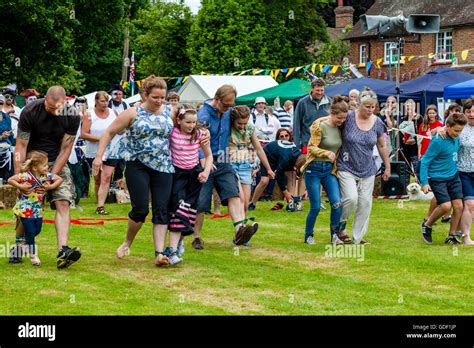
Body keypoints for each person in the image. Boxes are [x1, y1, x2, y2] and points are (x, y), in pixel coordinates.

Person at [93, 75, 185, 266]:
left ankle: (160, 254)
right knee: (141, 208)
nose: (159, 101)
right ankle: (127, 242)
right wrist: (98, 157)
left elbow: (185, 129)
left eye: (162, 97)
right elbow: (109, 132)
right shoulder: (132, 113)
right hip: (138, 164)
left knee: (161, 209)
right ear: (144, 95)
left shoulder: (170, 111)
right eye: (155, 97)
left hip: (164, 166)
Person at [13, 85, 82, 269]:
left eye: (58, 108)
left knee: (63, 201)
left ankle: (63, 251)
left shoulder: (73, 114)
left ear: (65, 101)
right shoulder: (30, 111)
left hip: (56, 161)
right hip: (32, 161)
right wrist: (20, 175)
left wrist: (52, 175)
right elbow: (20, 145)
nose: (55, 111)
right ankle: (19, 245)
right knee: (28, 206)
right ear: (44, 99)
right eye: (51, 107)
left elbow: (66, 148)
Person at [192, 84, 257, 250]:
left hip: (224, 160)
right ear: (217, 99)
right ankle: (196, 237)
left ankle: (239, 231)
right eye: (226, 104)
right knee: (201, 202)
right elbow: (198, 139)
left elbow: (243, 125)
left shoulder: (228, 112)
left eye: (231, 104)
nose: (229, 108)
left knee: (233, 194)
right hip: (205, 162)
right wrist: (203, 161)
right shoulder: (204, 115)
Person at [337, 89, 391, 245]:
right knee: (351, 199)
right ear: (359, 104)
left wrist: (387, 167)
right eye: (367, 106)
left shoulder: (378, 122)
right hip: (346, 166)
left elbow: (382, 145)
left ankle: (357, 237)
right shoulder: (348, 118)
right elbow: (332, 124)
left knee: (365, 204)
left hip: (367, 169)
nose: (370, 110)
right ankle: (340, 229)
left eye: (373, 107)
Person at [167, 107, 213, 264]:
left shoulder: (200, 134)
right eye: (188, 122)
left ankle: (179, 242)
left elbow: (208, 155)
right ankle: (171, 251)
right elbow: (171, 111)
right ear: (179, 121)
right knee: (177, 210)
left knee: (188, 212)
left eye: (194, 122)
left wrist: (205, 172)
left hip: (194, 176)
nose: (191, 125)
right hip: (177, 175)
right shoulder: (173, 132)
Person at [300, 96, 349, 245]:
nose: (342, 121)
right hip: (313, 169)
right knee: (315, 206)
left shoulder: (340, 128)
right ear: (332, 113)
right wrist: (325, 153)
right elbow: (311, 148)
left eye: (344, 118)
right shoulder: (319, 125)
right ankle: (308, 235)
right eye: (339, 118)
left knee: (336, 203)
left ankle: (334, 235)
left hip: (329, 170)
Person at [420, 112, 467, 245]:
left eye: (460, 131)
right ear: (448, 126)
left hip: (453, 176)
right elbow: (425, 161)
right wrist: (424, 182)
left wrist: (440, 128)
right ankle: (427, 225)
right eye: (456, 130)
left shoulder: (456, 137)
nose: (458, 134)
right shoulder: (438, 141)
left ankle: (451, 236)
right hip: (437, 178)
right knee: (446, 206)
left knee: (458, 206)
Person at [8, 151, 62, 266]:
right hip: (24, 209)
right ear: (35, 167)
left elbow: (59, 179)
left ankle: (22, 244)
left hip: (37, 210)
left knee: (37, 230)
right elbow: (10, 180)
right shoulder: (26, 176)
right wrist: (21, 186)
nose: (47, 167)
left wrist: (50, 187)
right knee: (30, 232)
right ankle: (33, 256)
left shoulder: (46, 176)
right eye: (44, 165)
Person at [229, 105, 275, 218]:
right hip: (230, 164)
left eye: (244, 123)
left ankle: (242, 229)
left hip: (245, 165)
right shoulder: (227, 127)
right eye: (239, 123)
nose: (242, 126)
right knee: (240, 198)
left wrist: (268, 169)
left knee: (245, 203)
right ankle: (239, 226)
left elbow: (259, 149)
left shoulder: (250, 128)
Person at [248, 131, 306, 212]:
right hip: (269, 155)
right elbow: (278, 175)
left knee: (292, 174)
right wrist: (285, 192)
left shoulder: (298, 154)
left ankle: (290, 202)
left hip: (282, 155)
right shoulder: (286, 158)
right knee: (264, 181)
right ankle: (252, 203)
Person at [81, 91, 119, 215]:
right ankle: (99, 203)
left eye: (107, 101)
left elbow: (119, 128)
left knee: (106, 177)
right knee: (97, 179)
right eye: (102, 101)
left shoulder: (113, 113)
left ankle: (100, 207)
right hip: (94, 151)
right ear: (96, 101)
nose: (105, 103)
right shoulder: (89, 114)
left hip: (111, 150)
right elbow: (84, 134)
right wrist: (102, 138)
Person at [293, 78, 331, 154]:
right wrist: (297, 145)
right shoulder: (302, 103)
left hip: (325, 142)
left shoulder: (329, 102)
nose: (320, 93)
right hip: (307, 142)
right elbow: (296, 124)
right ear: (312, 89)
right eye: (317, 90)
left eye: (322, 90)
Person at [457, 99, 474, 245]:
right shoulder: (460, 128)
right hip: (464, 172)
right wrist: (438, 130)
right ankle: (466, 237)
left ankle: (455, 229)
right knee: (469, 204)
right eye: (468, 111)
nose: (472, 114)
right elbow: (443, 131)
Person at [399, 99, 422, 186]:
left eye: (410, 106)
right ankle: (405, 189)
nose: (409, 108)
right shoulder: (403, 118)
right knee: (405, 170)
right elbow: (400, 132)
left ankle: (420, 187)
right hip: (405, 149)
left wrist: (414, 140)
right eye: (407, 106)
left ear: (414, 107)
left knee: (417, 169)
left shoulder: (419, 118)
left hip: (415, 148)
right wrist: (403, 140)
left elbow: (421, 133)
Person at [0, 108, 15, 181]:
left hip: (6, 149)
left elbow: (11, 135)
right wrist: (1, 137)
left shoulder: (6, 117)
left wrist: (9, 134)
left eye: (1, 103)